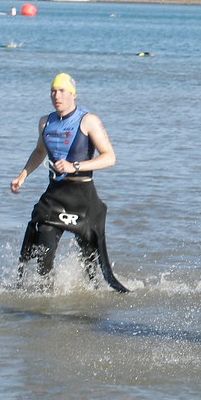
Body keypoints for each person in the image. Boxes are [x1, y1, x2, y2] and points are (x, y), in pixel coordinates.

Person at [10, 73, 128, 291]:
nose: (57, 95)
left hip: (83, 197)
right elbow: (39, 152)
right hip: (55, 195)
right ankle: (44, 299)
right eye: (53, 91)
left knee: (91, 269)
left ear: (73, 94)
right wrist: (22, 175)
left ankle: (94, 300)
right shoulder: (45, 122)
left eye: (62, 91)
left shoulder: (88, 121)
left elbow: (109, 157)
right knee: (43, 245)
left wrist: (75, 166)